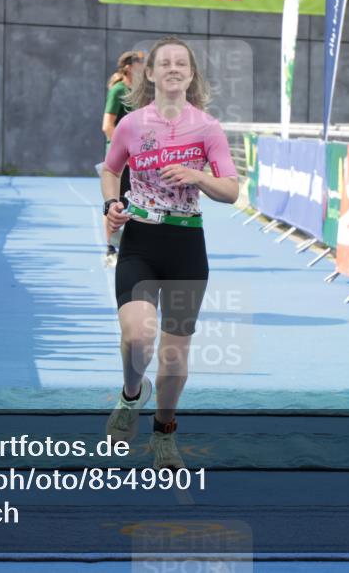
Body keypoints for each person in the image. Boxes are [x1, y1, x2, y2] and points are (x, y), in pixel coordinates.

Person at [100, 37, 239, 470]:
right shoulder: (132, 124)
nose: (174, 69)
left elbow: (231, 191)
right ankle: (129, 394)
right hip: (140, 242)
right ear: (152, 74)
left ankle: (164, 431)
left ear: (191, 75)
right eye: (166, 63)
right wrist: (111, 204)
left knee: (174, 357)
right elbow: (110, 169)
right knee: (138, 336)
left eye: (182, 63)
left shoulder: (209, 128)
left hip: (186, 247)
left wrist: (197, 175)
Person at [101, 51, 144, 266]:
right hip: (119, 159)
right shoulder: (118, 90)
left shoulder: (138, 92)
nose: (143, 66)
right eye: (139, 62)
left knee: (132, 203)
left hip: (136, 158)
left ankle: (128, 246)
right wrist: (122, 152)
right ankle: (110, 249)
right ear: (128, 67)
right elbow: (107, 126)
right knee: (113, 202)